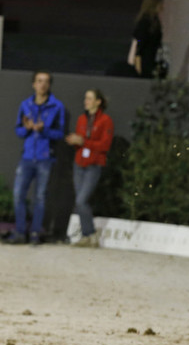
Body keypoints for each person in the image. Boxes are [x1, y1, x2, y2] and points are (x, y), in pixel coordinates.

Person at [5, 70, 65, 245]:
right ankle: (20, 232)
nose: (42, 84)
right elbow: (18, 130)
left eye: (46, 81)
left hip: (45, 158)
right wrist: (28, 128)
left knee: (40, 197)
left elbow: (59, 134)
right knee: (18, 195)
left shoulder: (57, 106)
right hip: (27, 156)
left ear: (49, 85)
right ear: (33, 84)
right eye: (39, 81)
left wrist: (43, 130)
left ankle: (35, 233)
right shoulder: (25, 105)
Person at [64, 89, 115, 247]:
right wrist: (74, 141)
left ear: (98, 102)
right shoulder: (81, 119)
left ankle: (90, 234)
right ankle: (88, 236)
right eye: (85, 98)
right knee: (80, 202)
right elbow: (82, 140)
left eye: (89, 98)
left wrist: (83, 142)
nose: (85, 101)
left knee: (81, 200)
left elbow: (104, 145)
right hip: (79, 164)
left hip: (94, 165)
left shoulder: (106, 120)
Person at [128, 0, 164, 78]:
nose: (163, 6)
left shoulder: (154, 21)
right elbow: (140, 40)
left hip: (151, 56)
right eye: (161, 3)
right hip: (144, 59)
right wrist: (137, 57)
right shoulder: (146, 21)